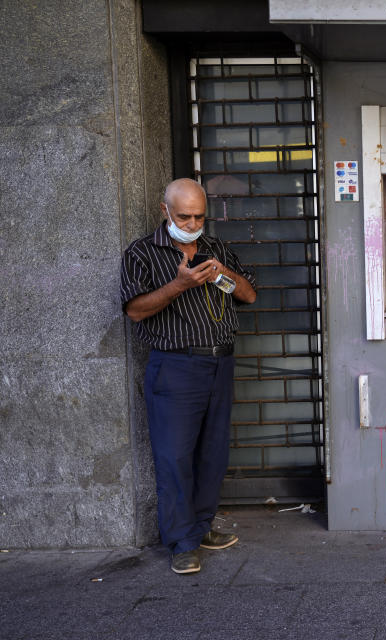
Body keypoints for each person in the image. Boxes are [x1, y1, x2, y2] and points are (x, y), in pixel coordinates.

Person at [120, 178, 256, 574]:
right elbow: (135, 310)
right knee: (174, 456)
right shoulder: (142, 253)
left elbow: (247, 295)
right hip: (175, 366)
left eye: (199, 216)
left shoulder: (216, 249)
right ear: (165, 211)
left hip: (219, 362)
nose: (193, 222)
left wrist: (222, 275)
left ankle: (200, 527)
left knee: (212, 454)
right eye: (184, 216)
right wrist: (179, 284)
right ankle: (182, 542)